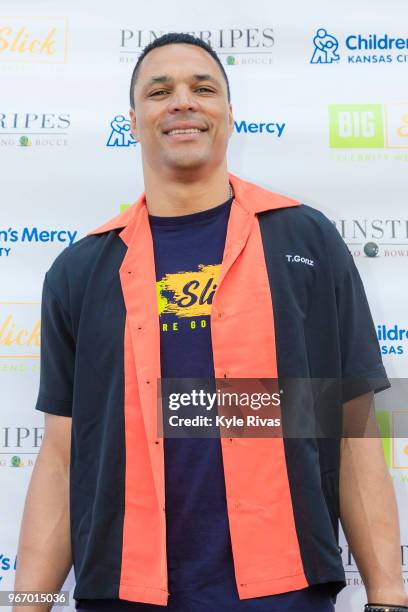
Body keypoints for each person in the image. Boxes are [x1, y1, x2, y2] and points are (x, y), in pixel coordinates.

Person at [14, 33, 408, 612]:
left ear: (229, 114)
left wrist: (390, 594)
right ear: (132, 120)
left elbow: (352, 424)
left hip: (284, 592)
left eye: (203, 88)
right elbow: (61, 457)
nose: (183, 102)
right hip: (124, 592)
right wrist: (29, 603)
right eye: (159, 90)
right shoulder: (81, 270)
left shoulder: (305, 240)